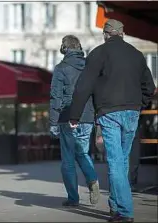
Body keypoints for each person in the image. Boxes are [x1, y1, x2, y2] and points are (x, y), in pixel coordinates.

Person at [69, 19, 156, 222]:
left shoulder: (98, 54)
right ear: (122, 34)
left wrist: (75, 116)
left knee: (116, 161)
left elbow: (84, 87)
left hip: (109, 113)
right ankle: (116, 206)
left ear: (106, 34)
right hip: (132, 112)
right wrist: (140, 104)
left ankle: (125, 212)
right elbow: (149, 88)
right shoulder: (137, 55)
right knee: (122, 160)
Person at [49, 35, 100, 207]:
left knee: (68, 159)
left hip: (66, 117)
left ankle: (73, 198)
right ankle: (92, 179)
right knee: (83, 153)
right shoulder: (89, 67)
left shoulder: (61, 68)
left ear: (64, 49)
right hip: (87, 117)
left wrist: (53, 122)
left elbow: (56, 97)